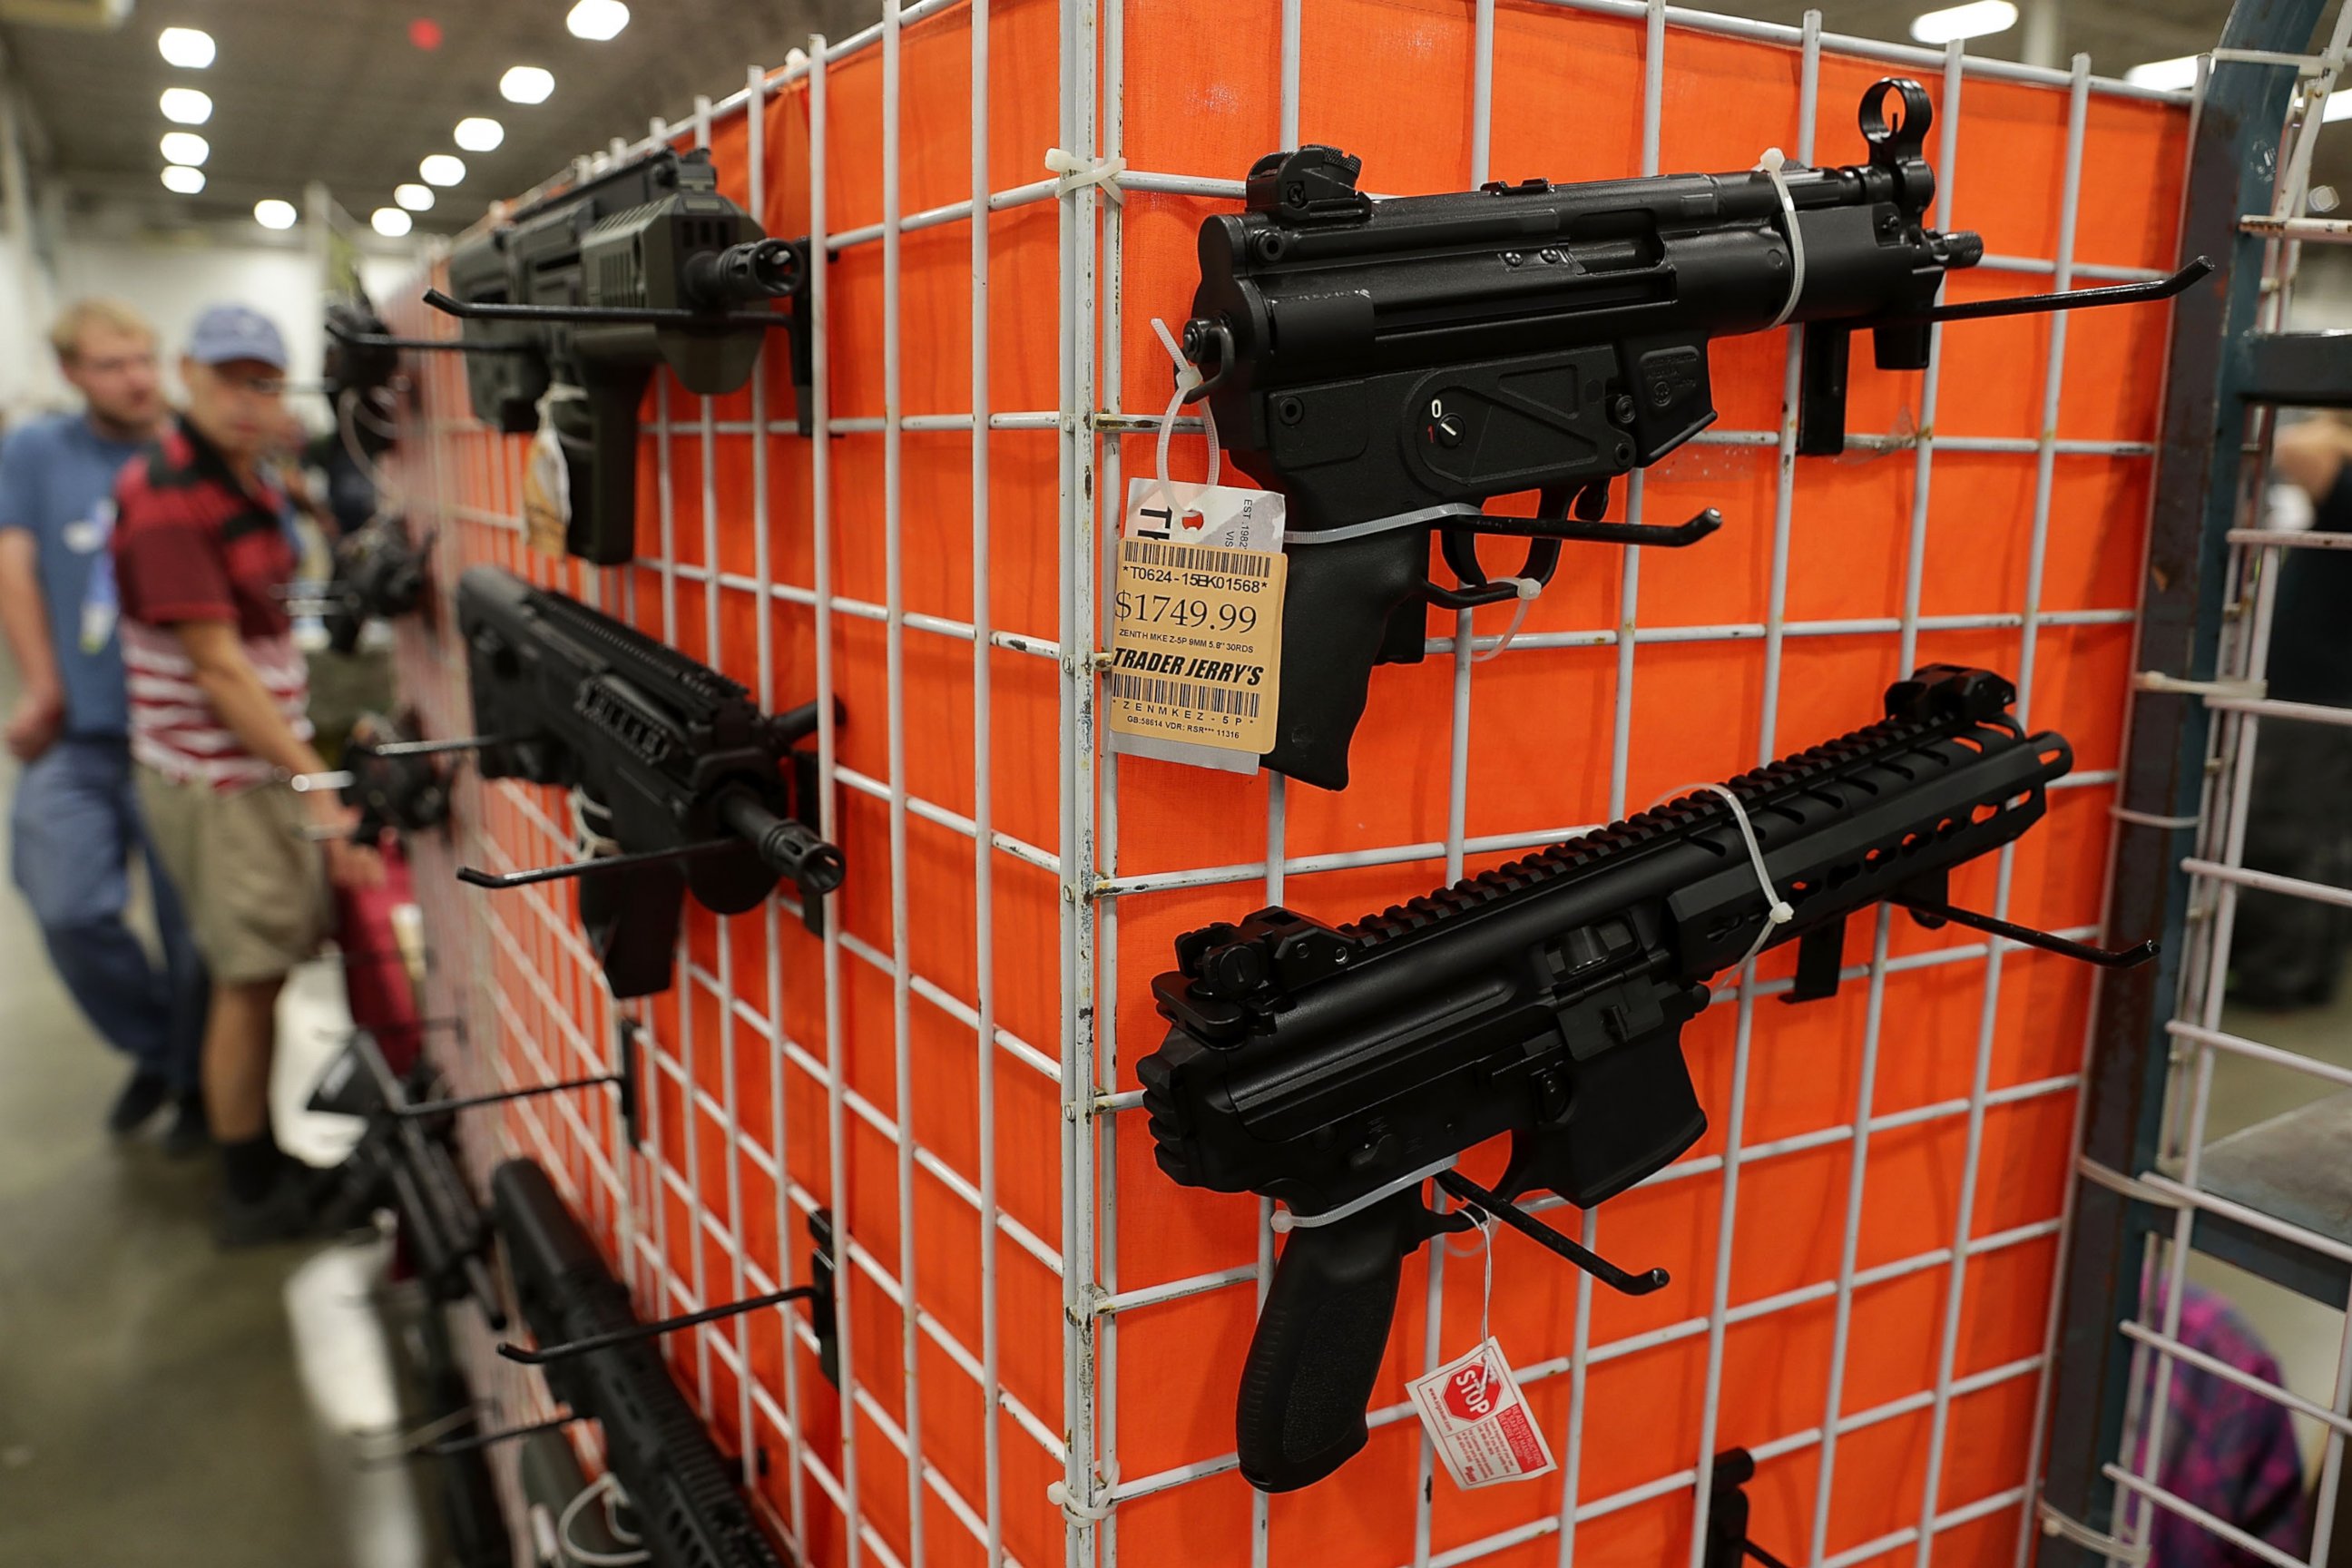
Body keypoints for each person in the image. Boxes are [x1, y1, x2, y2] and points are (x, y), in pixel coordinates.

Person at [110, 304, 383, 1245]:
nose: (247, 398)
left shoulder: (256, 478)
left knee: (259, 970)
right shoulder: (166, 500)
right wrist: (318, 784)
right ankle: (253, 1192)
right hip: (221, 776)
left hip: (253, 759)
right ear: (188, 372)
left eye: (265, 381)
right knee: (252, 982)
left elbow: (274, 616)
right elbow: (220, 672)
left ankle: (258, 1166)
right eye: (230, 378)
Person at [0, 299, 210, 1151]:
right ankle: (160, 1048)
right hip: (81, 731)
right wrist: (43, 685)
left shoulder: (189, 451)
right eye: (112, 363)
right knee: (66, 906)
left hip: (181, 738)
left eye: (144, 359)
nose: (135, 378)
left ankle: (200, 1086)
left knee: (194, 929)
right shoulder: (36, 452)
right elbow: (14, 568)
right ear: (72, 373)